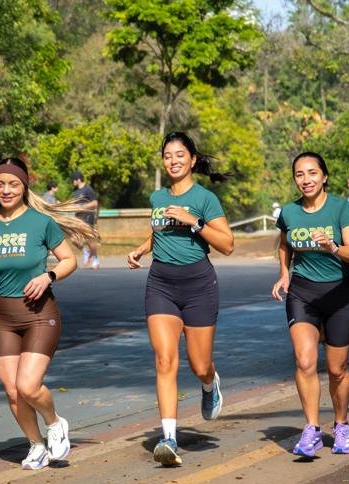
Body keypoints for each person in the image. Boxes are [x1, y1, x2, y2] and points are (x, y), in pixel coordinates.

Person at [0, 157, 97, 471]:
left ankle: (55, 422)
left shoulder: (40, 222)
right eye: (0, 184)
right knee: (13, 392)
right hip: (3, 318)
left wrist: (48, 277)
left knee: (28, 385)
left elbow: (69, 260)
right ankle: (36, 445)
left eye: (13, 184)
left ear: (24, 187)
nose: (6, 190)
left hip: (39, 314)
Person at [126, 132, 234, 466]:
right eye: (167, 155)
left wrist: (194, 222)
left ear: (192, 159)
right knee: (164, 359)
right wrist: (142, 249)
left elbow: (227, 245)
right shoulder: (157, 196)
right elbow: (160, 230)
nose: (173, 161)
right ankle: (169, 438)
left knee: (199, 364)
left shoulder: (205, 198)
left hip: (199, 286)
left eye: (179, 155)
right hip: (161, 284)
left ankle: (209, 383)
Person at [271, 152, 349, 459]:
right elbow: (284, 244)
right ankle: (311, 429)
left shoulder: (340, 208)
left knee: (337, 370)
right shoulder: (289, 212)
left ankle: (342, 425)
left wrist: (332, 246)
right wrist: (284, 273)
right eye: (299, 174)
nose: (306, 179)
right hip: (302, 293)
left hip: (338, 295)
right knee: (305, 362)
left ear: (324, 177)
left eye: (312, 173)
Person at [70, 171, 100, 270]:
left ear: (78, 179)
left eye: (73, 180)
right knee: (73, 239)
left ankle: (95, 258)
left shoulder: (88, 189)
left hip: (87, 217)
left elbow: (95, 203)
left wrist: (82, 207)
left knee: (89, 240)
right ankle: (85, 252)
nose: (72, 182)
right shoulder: (75, 190)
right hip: (78, 218)